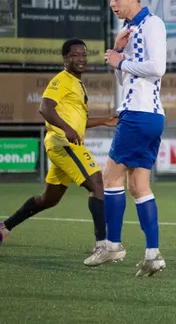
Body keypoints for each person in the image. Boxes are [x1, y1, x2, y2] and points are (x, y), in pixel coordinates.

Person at [0, 40, 117, 257]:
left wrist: (104, 120)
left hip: (64, 143)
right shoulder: (62, 79)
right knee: (97, 183)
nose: (81, 59)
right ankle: (102, 245)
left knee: (49, 199)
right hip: (63, 143)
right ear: (65, 58)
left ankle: (4, 227)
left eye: (84, 55)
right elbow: (45, 107)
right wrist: (66, 128)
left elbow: (78, 122)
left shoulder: (77, 83)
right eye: (75, 55)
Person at [84, 0, 168, 277]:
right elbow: (127, 78)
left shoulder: (152, 24)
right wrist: (117, 54)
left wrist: (120, 62)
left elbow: (158, 68)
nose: (113, 4)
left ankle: (112, 245)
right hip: (148, 115)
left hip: (139, 113)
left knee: (110, 177)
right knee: (138, 186)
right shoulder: (129, 30)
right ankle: (153, 255)